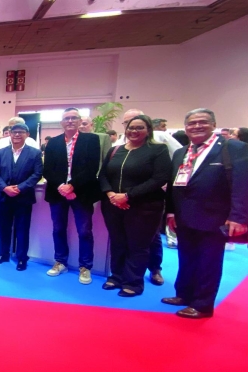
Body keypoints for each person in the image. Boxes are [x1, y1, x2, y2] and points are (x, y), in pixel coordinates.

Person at [163, 109, 248, 318]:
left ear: (213, 124)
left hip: (215, 216)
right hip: (184, 215)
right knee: (187, 258)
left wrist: (239, 217)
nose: (197, 126)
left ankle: (202, 304)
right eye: (192, 123)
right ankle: (183, 294)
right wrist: (172, 212)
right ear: (186, 127)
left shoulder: (233, 148)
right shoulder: (181, 152)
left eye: (202, 122)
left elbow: (242, 184)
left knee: (208, 261)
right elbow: (176, 184)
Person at [98, 115, 172, 297]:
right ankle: (116, 276)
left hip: (144, 206)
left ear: (148, 130)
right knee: (117, 242)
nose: (134, 131)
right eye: (131, 127)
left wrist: (128, 196)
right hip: (113, 204)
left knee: (138, 245)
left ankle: (133, 282)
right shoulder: (115, 150)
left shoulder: (158, 150)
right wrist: (111, 194)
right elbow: (103, 175)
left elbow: (160, 178)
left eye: (139, 128)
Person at [114, 108, 183, 279]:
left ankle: (155, 269)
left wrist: (170, 181)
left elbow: (181, 157)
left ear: (147, 124)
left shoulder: (160, 140)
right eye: (128, 124)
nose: (133, 129)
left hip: (147, 199)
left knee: (150, 238)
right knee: (124, 240)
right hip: (119, 201)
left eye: (138, 124)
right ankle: (121, 275)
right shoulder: (119, 145)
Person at [42, 108, 101, 284]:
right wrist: (61, 185)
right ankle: (60, 261)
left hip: (81, 192)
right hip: (57, 192)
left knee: (84, 231)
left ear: (79, 121)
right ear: (61, 122)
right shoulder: (53, 142)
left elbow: (92, 168)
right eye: (66, 118)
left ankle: (85, 267)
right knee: (58, 229)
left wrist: (72, 185)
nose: (70, 121)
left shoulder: (91, 140)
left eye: (73, 118)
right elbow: (48, 169)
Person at [0, 124, 44, 271]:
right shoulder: (1, 153)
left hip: (23, 198)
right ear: (10, 134)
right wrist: (5, 188)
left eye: (20, 132)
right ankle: (3, 254)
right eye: (14, 132)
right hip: (3, 196)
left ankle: (21, 258)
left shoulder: (34, 153)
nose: (17, 135)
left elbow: (37, 174)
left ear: (27, 134)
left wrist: (20, 188)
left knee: (22, 229)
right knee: (4, 228)